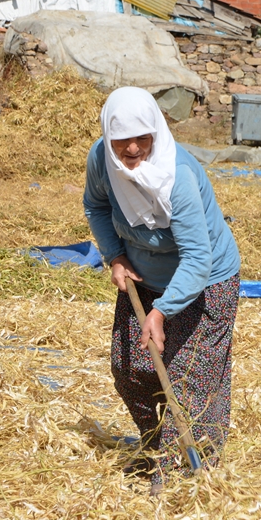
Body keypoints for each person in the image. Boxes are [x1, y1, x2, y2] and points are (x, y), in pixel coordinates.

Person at [83, 87, 241, 492]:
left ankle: (179, 477)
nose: (132, 148)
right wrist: (115, 256)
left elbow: (197, 259)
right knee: (130, 368)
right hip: (144, 277)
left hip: (205, 280)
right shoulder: (102, 160)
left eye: (141, 137)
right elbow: (96, 206)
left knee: (190, 379)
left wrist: (160, 312)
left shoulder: (179, 176)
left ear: (156, 131)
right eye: (121, 140)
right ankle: (158, 444)